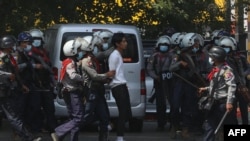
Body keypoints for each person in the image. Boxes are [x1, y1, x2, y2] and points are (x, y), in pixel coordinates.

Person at [169, 32, 211, 140]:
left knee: (189, 108)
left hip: (192, 84)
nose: (197, 45)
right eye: (195, 43)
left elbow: (208, 68)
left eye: (198, 43)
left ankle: (185, 130)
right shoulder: (179, 55)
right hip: (180, 82)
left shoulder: (203, 54)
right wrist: (180, 64)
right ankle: (175, 126)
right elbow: (171, 68)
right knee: (175, 106)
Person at [0, 35, 41, 141]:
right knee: (13, 116)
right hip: (3, 89)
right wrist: (8, 75)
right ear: (6, 46)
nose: (13, 47)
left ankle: (22, 136)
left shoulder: (7, 57)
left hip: (7, 89)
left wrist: (21, 85)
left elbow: (15, 72)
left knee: (14, 114)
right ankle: (27, 137)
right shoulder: (1, 57)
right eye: (11, 45)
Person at [75, 36, 115, 141]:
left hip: (98, 91)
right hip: (91, 92)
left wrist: (105, 79)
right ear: (91, 46)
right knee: (86, 117)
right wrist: (107, 75)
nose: (100, 48)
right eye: (98, 46)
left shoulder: (94, 59)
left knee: (104, 117)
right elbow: (94, 76)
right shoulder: (86, 60)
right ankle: (62, 131)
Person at [199, 46, 237, 141]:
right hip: (214, 103)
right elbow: (217, 86)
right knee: (209, 127)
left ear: (215, 58)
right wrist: (206, 88)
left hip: (223, 104)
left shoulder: (226, 70)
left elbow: (231, 86)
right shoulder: (215, 69)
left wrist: (229, 102)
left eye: (211, 56)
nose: (210, 58)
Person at [29, 28, 58, 140]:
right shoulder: (29, 53)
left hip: (46, 85)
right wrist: (34, 66)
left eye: (38, 39)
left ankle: (52, 128)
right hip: (34, 85)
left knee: (49, 108)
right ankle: (36, 129)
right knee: (35, 108)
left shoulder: (45, 52)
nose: (37, 41)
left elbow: (49, 68)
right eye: (34, 39)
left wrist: (53, 82)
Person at [54, 40, 86, 141]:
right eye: (79, 49)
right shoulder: (70, 64)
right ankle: (58, 132)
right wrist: (83, 78)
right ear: (73, 51)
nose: (80, 51)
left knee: (73, 118)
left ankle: (70, 138)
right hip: (72, 92)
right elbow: (72, 76)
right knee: (78, 117)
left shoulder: (66, 61)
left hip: (68, 92)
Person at [15, 31, 44, 134]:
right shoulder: (17, 53)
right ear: (21, 43)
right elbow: (16, 67)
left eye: (29, 42)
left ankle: (31, 129)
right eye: (26, 42)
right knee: (21, 109)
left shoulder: (27, 53)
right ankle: (21, 132)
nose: (28, 45)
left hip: (30, 83)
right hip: (21, 84)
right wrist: (29, 65)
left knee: (34, 106)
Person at [218, 36, 249, 125]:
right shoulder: (223, 60)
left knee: (244, 109)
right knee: (232, 111)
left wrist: (243, 74)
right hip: (230, 88)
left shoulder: (240, 57)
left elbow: (248, 68)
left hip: (241, 86)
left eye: (226, 48)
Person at [146, 35, 174, 131]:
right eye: (162, 44)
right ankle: (161, 124)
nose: (163, 46)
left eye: (165, 45)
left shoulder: (172, 56)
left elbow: (175, 68)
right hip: (158, 81)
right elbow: (149, 69)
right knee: (160, 104)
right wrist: (156, 77)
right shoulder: (154, 56)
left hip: (170, 82)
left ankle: (172, 123)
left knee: (173, 103)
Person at [108, 32, 132, 141]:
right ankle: (120, 136)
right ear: (117, 44)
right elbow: (112, 72)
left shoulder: (119, 55)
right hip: (117, 86)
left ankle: (110, 126)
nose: (125, 43)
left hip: (122, 85)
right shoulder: (114, 56)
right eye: (123, 41)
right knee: (123, 112)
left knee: (127, 113)